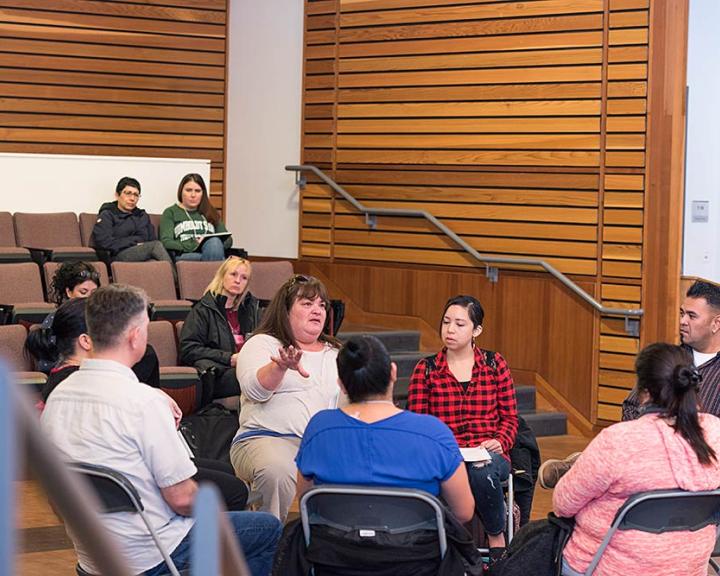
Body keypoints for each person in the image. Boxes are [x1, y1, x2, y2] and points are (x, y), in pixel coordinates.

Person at [40, 285, 281, 575]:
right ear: (134, 336)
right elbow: (181, 499)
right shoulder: (143, 401)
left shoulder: (58, 397)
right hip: (151, 557)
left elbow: (56, 494)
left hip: (92, 558)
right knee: (268, 528)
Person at [552, 343, 720, 576]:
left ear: (645, 392)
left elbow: (563, 504)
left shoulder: (620, 440)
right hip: (689, 568)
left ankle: (574, 467)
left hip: (606, 566)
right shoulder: (715, 432)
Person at [540, 279, 720, 488]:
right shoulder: (667, 360)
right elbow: (632, 406)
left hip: (699, 463)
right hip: (647, 451)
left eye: (691, 316)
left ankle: (581, 465)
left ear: (716, 323)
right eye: (681, 313)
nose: (682, 321)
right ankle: (584, 466)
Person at [296, 335, 475, 523]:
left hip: (334, 548)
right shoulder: (434, 432)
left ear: (341, 384)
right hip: (415, 550)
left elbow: (306, 502)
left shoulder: (319, 429)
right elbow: (463, 512)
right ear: (393, 372)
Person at [407, 294, 518, 564]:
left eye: (459, 324)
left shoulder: (494, 365)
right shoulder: (427, 370)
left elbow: (511, 419)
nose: (450, 330)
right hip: (446, 455)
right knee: (453, 470)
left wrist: (500, 441)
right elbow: (417, 426)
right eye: (446, 322)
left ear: (476, 330)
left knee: (482, 469)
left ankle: (496, 537)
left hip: (488, 456)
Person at [230, 274, 341, 520]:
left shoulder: (336, 353)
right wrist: (279, 367)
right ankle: (269, 548)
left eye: (322, 305)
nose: (317, 310)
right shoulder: (263, 344)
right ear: (285, 310)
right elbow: (255, 390)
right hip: (266, 438)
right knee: (277, 471)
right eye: (307, 303)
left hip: (320, 444)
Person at [31, 260, 160, 387]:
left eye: (94, 293)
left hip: (100, 368)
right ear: (69, 292)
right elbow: (49, 362)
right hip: (79, 373)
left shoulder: (101, 317)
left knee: (147, 354)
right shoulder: (58, 318)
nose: (88, 298)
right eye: (83, 292)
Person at [180, 257, 260, 411]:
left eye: (244, 278)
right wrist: (229, 358)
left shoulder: (251, 311)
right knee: (256, 380)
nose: (238, 281)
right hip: (219, 374)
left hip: (248, 367)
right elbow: (188, 349)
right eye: (233, 274)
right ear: (222, 276)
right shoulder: (203, 310)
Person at [91, 176, 172, 262]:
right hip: (117, 255)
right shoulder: (108, 214)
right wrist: (135, 242)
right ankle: (175, 275)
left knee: (157, 261)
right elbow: (104, 242)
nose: (132, 198)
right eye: (128, 193)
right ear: (117, 195)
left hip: (143, 253)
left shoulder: (142, 215)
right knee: (156, 246)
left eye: (136, 195)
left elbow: (152, 239)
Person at [159, 173, 232, 261]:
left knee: (214, 243)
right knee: (220, 259)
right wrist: (195, 244)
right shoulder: (170, 212)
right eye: (189, 190)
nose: (193, 195)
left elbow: (228, 240)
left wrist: (209, 242)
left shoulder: (210, 211)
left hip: (212, 251)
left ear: (203, 193)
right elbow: (166, 242)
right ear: (181, 191)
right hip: (185, 255)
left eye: (197, 191)